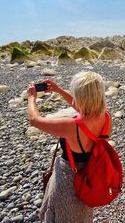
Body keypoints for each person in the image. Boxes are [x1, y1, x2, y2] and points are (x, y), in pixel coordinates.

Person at [27, 71, 111, 223]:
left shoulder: (71, 126)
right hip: (90, 175)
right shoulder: (105, 117)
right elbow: (83, 107)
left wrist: (32, 98)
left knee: (64, 214)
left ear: (80, 96)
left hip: (69, 180)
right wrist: (58, 90)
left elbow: (34, 120)